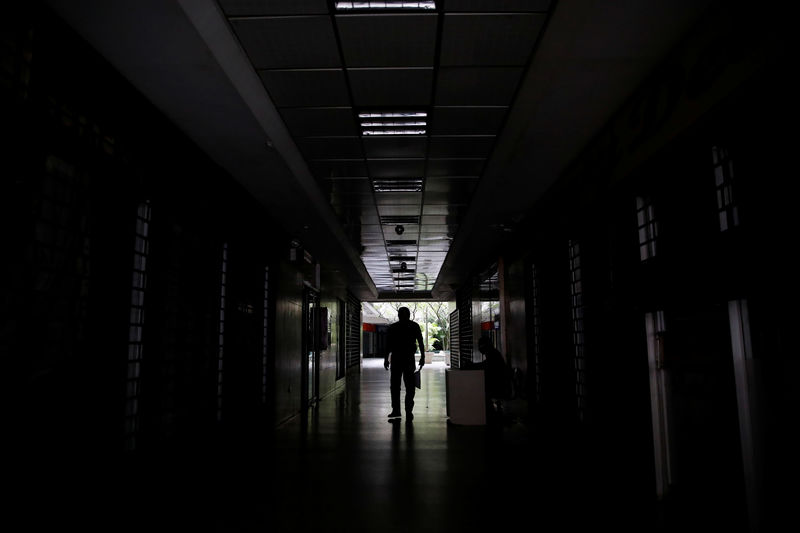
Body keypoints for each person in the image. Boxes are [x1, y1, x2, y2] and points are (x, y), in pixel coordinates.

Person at [384, 307, 425, 421]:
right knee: (409, 387)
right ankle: (408, 411)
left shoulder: (393, 327)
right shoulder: (414, 326)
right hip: (407, 359)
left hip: (397, 359)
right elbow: (420, 342)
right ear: (409, 315)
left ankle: (397, 410)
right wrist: (422, 357)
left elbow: (388, 345)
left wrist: (386, 359)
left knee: (396, 386)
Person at [477, 337, 512, 422]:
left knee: (481, 391)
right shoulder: (493, 352)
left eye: (481, 346)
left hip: (498, 386)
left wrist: (473, 365)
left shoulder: (492, 354)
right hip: (499, 384)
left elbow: (486, 365)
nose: (480, 348)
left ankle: (491, 417)